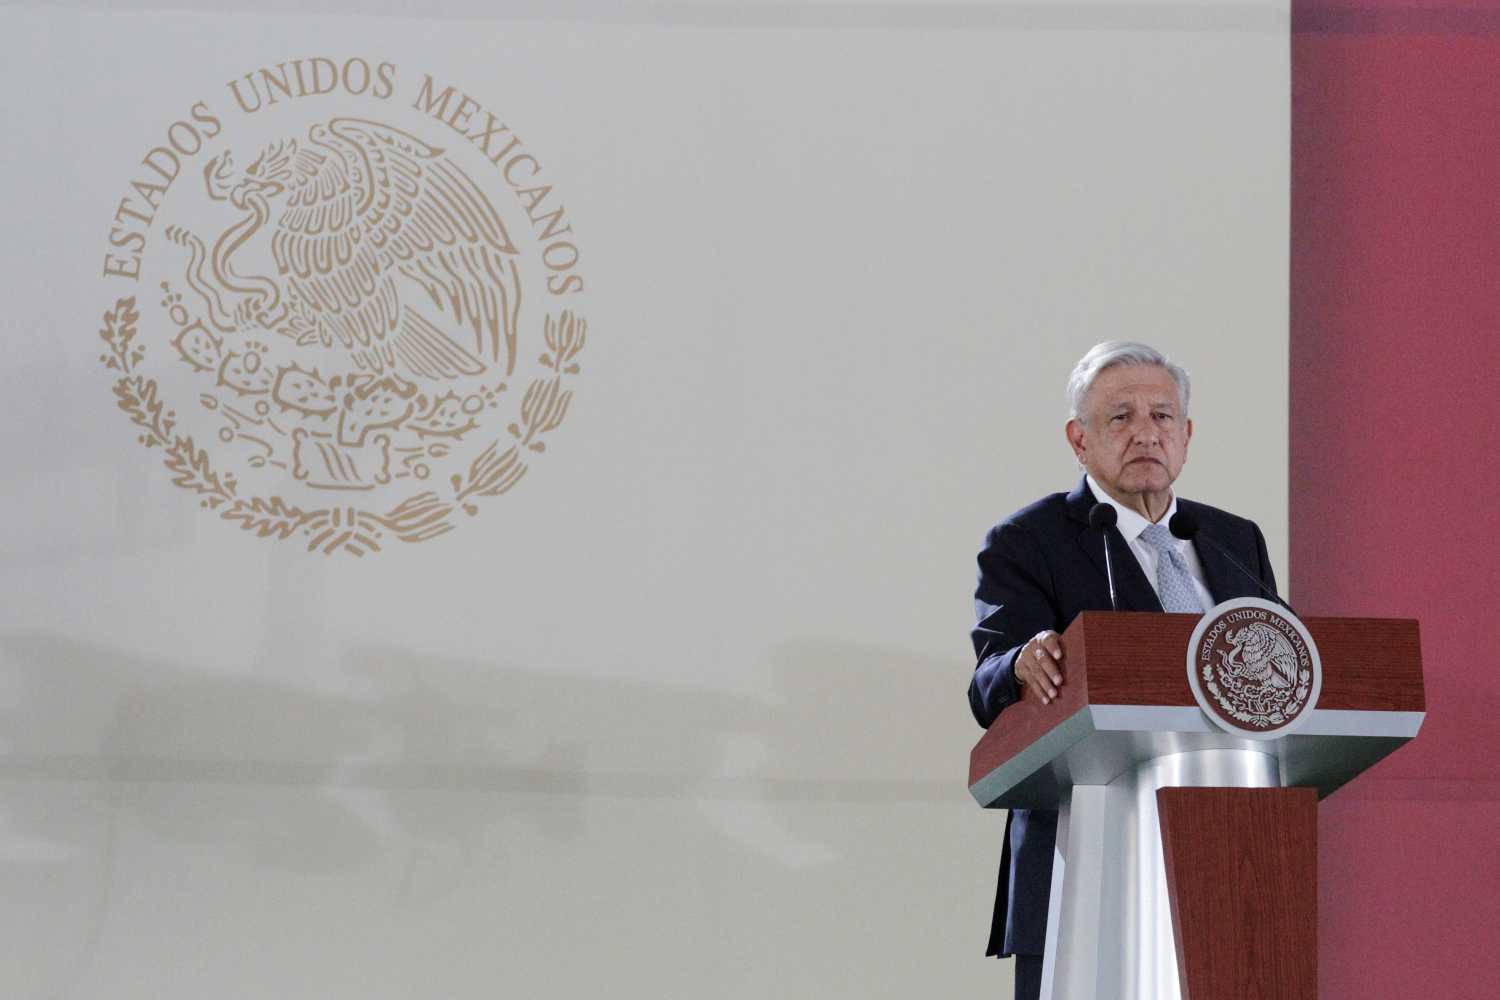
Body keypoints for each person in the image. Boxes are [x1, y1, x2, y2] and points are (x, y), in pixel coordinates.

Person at [967, 341, 1278, 1000]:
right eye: (1120, 417)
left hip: (1232, 857)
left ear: (1186, 435)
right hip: (1085, 854)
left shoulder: (1234, 540)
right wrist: (1020, 663)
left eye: (1162, 416)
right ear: (1079, 440)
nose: (1145, 433)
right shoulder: (1028, 541)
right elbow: (989, 681)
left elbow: (1278, 679)